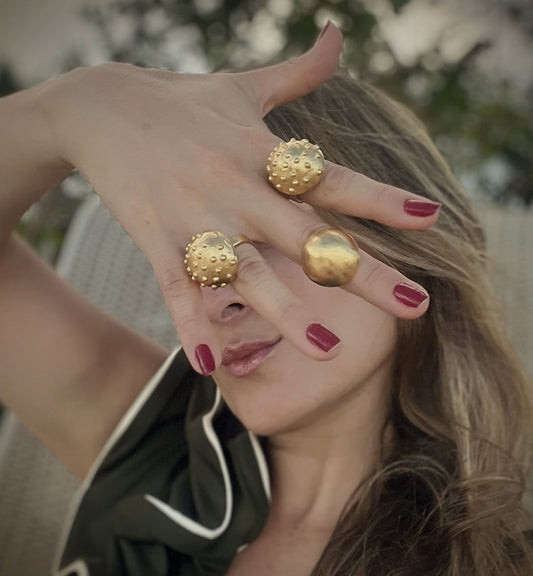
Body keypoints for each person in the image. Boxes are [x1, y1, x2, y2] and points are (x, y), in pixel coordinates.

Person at [0, 22, 531, 576]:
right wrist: (70, 106)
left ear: (399, 245)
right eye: (199, 256)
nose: (218, 302)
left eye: (271, 236)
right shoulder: (157, 446)